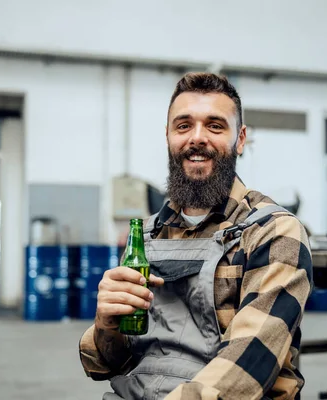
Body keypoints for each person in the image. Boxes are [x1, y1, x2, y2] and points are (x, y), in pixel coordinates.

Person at [79, 72, 313, 400]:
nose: (197, 138)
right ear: (168, 136)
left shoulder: (272, 233)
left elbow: (247, 365)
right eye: (183, 125)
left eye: (215, 125)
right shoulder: (144, 237)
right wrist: (106, 325)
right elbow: (106, 365)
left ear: (240, 139)